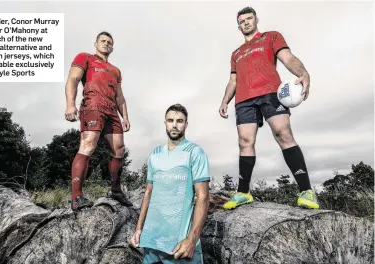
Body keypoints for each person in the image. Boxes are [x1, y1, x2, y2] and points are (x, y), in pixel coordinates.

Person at [219, 7, 319, 210]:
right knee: (245, 141)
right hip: (244, 99)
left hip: (271, 94)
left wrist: (304, 72)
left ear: (256, 20)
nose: (246, 22)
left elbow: (288, 58)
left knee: (283, 134)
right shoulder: (236, 53)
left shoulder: (271, 37)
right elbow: (233, 81)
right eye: (242, 21)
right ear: (238, 26)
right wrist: (224, 101)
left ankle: (306, 191)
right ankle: (243, 192)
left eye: (249, 18)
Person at [131, 104, 210, 264]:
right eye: (170, 120)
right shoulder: (155, 154)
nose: (174, 124)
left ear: (186, 125)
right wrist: (139, 229)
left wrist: (192, 239)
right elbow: (148, 193)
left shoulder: (195, 152)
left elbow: (203, 197)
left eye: (180, 121)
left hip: (179, 245)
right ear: (165, 123)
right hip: (151, 241)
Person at [65, 31, 132, 211]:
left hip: (111, 111)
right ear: (95, 43)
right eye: (103, 41)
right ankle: (76, 196)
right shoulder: (85, 58)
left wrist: (125, 117)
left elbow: (120, 97)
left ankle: (116, 191)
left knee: (119, 149)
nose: (106, 44)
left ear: (112, 47)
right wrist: (70, 105)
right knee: (88, 145)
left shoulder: (116, 71)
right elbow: (73, 79)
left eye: (109, 42)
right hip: (93, 105)